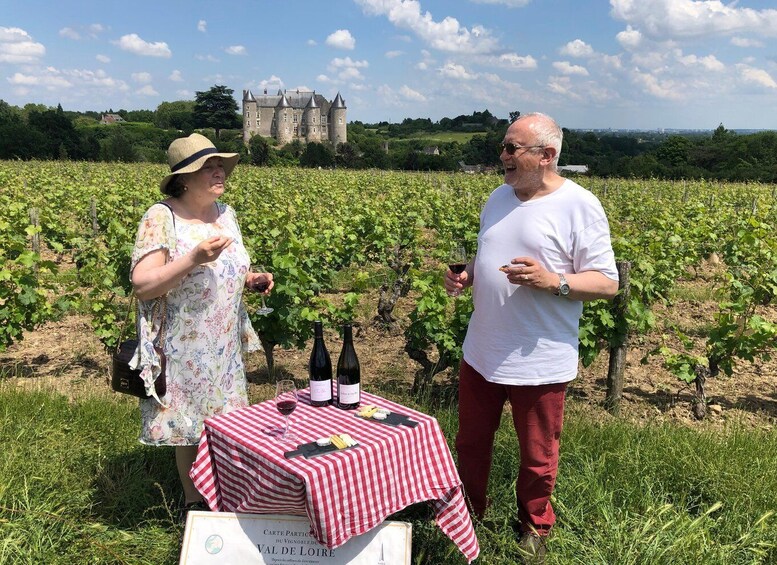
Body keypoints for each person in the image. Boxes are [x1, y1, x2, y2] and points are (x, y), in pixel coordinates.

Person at [445, 113, 619, 561]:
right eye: (503, 147)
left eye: (511, 148)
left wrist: (552, 281)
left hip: (539, 359)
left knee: (538, 456)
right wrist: (467, 276)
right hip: (481, 351)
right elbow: (490, 256)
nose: (501, 156)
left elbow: (607, 282)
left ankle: (534, 526)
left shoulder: (579, 204)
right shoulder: (497, 197)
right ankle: (468, 516)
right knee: (470, 443)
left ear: (547, 155)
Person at [129, 133, 272, 517]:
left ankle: (225, 493)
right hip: (182, 343)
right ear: (185, 178)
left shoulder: (226, 214)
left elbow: (229, 268)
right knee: (189, 425)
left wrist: (251, 278)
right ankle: (195, 508)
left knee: (225, 421)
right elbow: (143, 285)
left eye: (220, 164)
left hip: (224, 342)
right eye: (209, 166)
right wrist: (192, 257)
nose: (219, 171)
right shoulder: (162, 216)